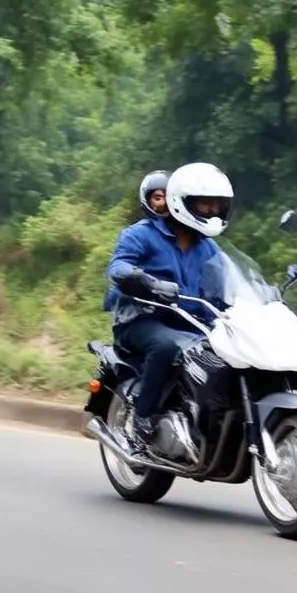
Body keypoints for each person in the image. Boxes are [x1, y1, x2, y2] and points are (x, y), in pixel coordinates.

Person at [105, 161, 234, 448]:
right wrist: (146, 282)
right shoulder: (140, 234)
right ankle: (143, 418)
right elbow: (117, 268)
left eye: (217, 206)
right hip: (141, 320)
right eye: (205, 205)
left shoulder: (209, 248)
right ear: (183, 203)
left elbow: (226, 287)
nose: (212, 211)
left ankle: (210, 423)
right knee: (164, 345)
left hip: (189, 325)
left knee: (232, 355)